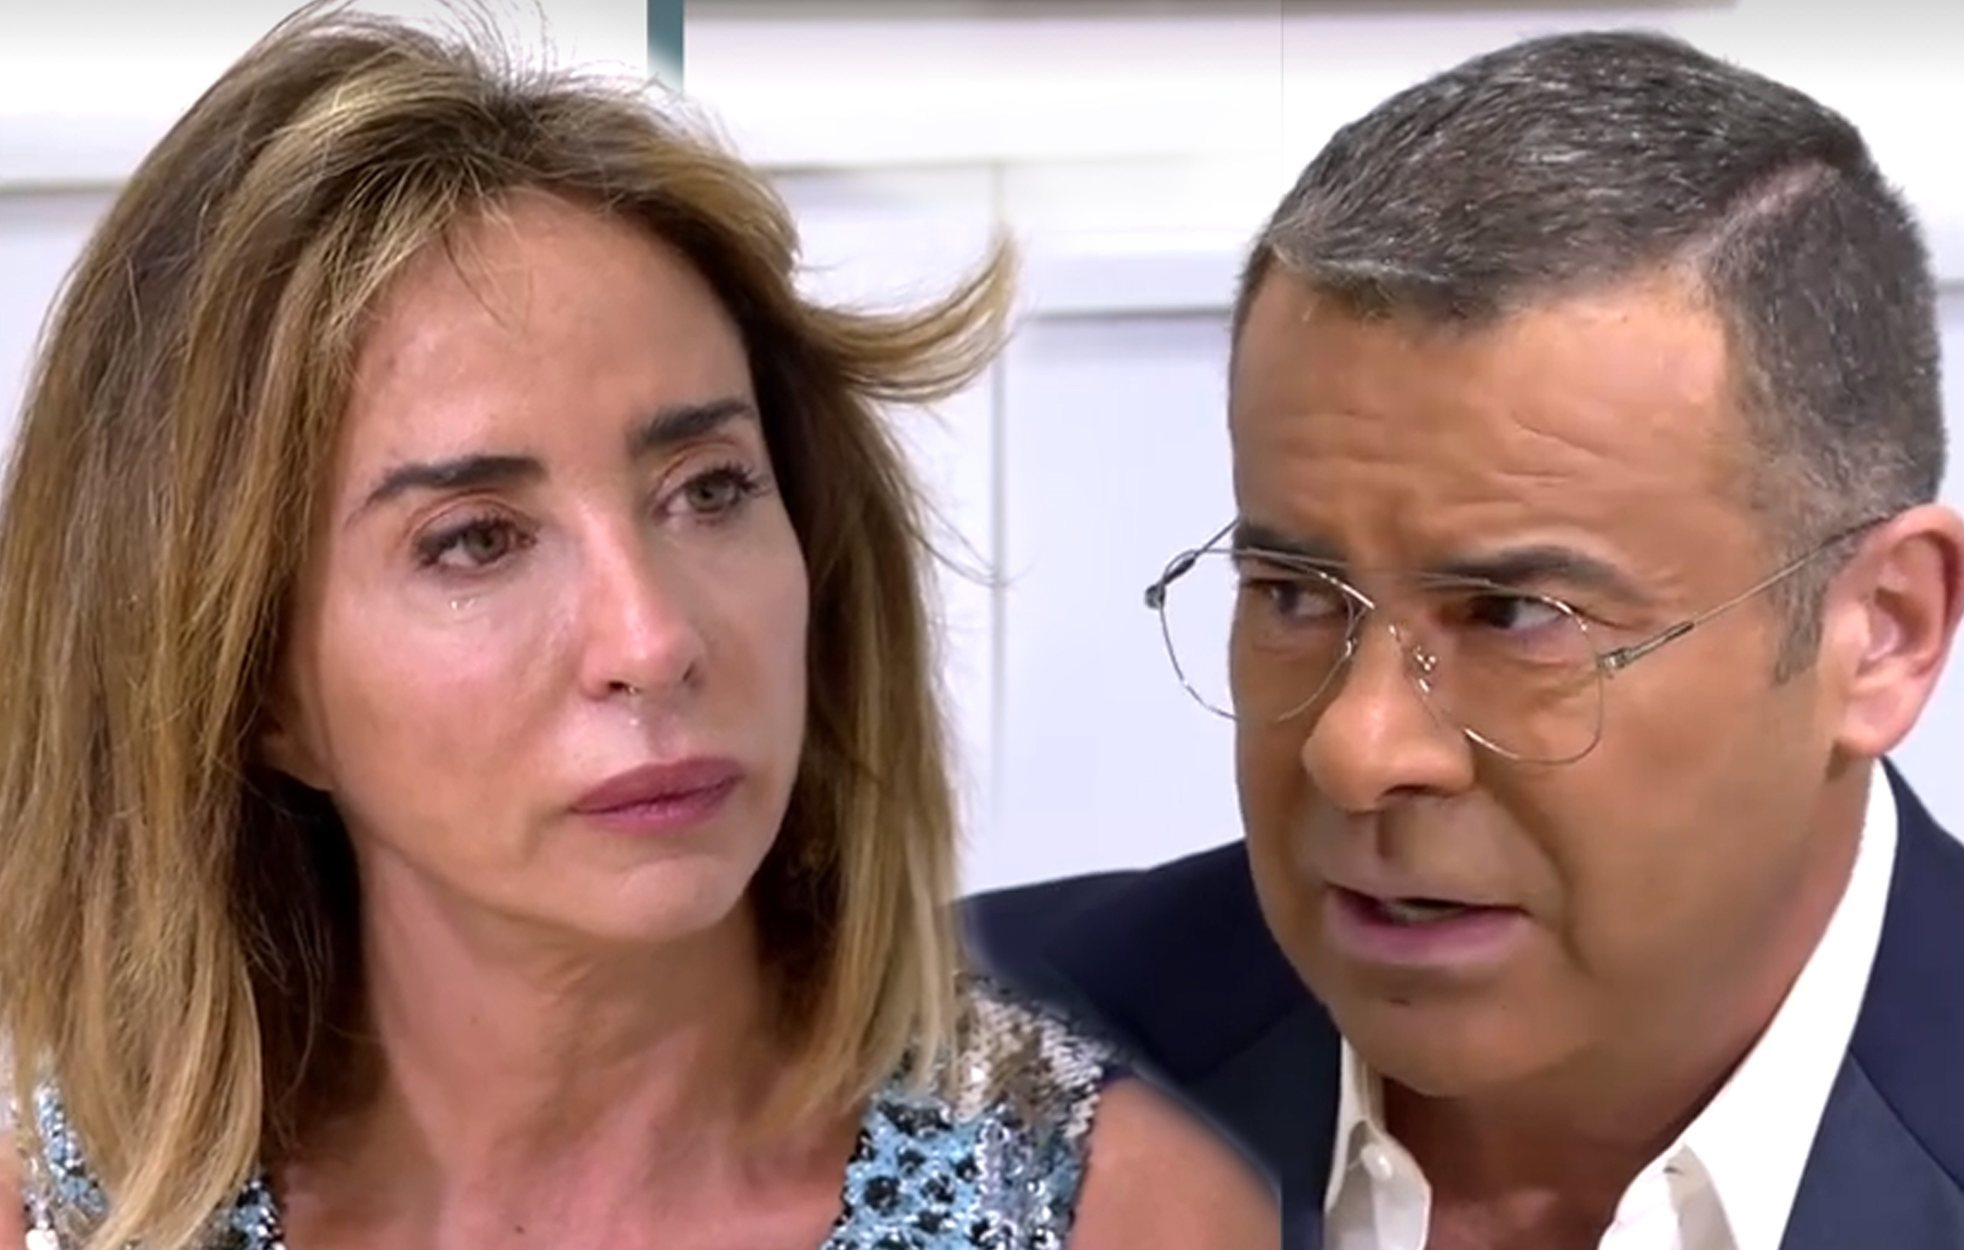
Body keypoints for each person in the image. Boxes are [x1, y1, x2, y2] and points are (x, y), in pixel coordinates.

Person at [0, 9, 1276, 1249]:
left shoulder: (1119, 1212)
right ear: (253, 686)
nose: (652, 638)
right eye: (475, 538)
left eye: (709, 489)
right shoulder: (50, 1209)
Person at [967, 28, 1964, 1250]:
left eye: (1514, 616)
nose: (1356, 749)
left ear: (1880, 631)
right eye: (1291, 594)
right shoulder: (936, 1075)